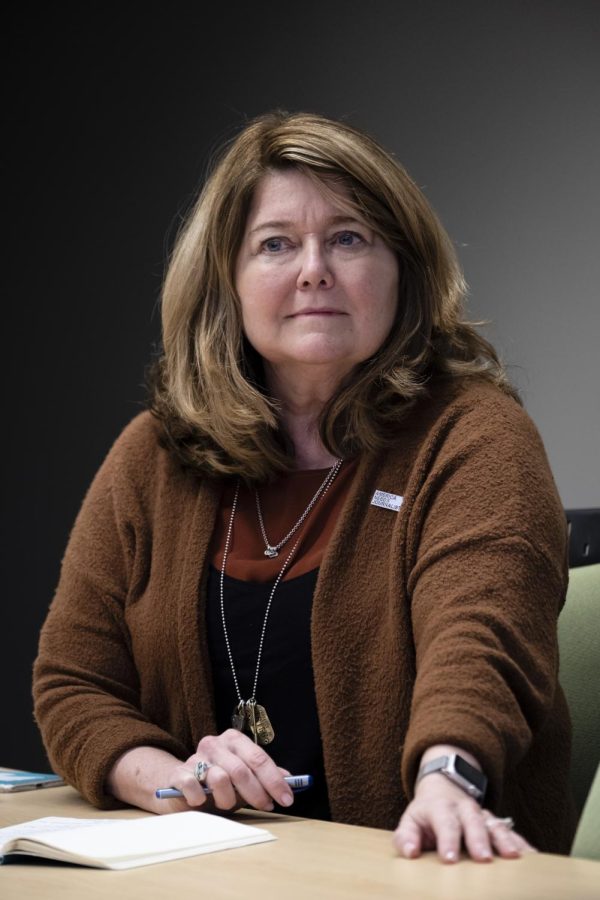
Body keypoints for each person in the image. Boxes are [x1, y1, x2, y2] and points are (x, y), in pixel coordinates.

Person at [33, 110, 575, 863]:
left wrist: (448, 780)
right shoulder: (155, 455)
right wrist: (174, 778)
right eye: (276, 244)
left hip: (412, 867)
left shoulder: (475, 436)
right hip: (198, 875)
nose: (314, 268)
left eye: (349, 238)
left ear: (403, 269)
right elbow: (73, 682)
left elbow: (480, 645)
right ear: (228, 279)